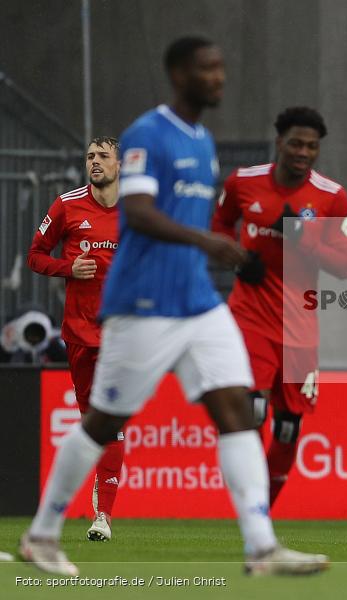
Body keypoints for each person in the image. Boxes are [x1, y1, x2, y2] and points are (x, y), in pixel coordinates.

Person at [18, 36, 328, 577]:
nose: (220, 77)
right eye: (208, 69)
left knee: (238, 410)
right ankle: (42, 534)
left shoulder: (204, 140)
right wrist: (210, 244)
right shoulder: (147, 135)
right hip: (143, 304)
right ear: (179, 74)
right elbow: (137, 211)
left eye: (221, 67)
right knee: (103, 422)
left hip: (198, 303)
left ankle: (261, 547)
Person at [212, 106, 347, 507]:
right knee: (252, 410)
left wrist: (303, 240)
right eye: (295, 143)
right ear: (279, 142)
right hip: (250, 314)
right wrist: (239, 257)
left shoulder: (332, 196)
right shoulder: (243, 183)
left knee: (289, 429)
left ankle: (262, 511)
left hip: (300, 326)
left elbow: (345, 266)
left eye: (311, 146)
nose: (303, 152)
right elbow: (220, 225)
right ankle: (249, 507)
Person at [27, 137, 125, 541]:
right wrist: (68, 268)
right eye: (90, 156)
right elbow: (35, 255)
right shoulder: (66, 205)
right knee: (92, 423)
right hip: (79, 334)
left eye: (103, 156)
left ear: (120, 163)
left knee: (113, 421)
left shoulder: (137, 211)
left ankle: (103, 517)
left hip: (122, 335)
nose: (95, 162)